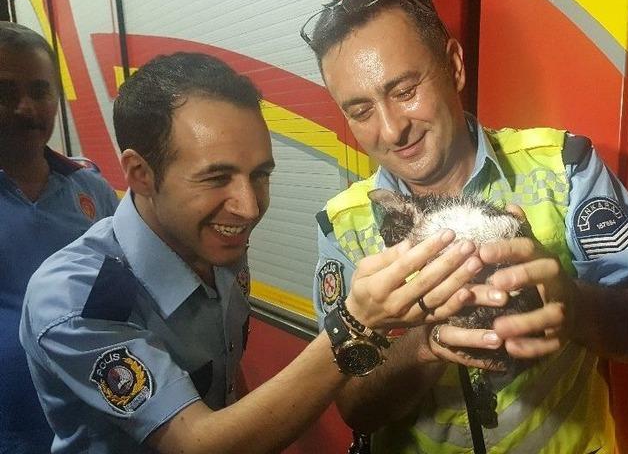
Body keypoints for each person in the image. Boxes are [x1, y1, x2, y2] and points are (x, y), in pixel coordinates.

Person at [19, 52, 495, 453]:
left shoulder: (215, 246)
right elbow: (194, 443)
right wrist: (354, 325)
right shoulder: (73, 300)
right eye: (216, 178)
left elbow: (224, 380)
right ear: (140, 173)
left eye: (260, 175)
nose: (248, 208)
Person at [303, 0, 628, 453]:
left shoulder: (563, 167)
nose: (391, 129)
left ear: (454, 65)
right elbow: (354, 409)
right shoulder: (343, 226)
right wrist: (424, 345)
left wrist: (574, 307)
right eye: (360, 111)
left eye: (404, 90)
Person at [0, 22, 119, 453]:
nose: (26, 107)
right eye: (5, 92)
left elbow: (120, 291)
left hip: (92, 416)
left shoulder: (91, 190)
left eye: (40, 90)